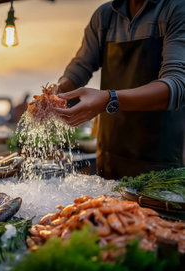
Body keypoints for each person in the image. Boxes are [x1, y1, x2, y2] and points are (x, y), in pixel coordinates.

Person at [53, 0, 185, 180]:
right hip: (110, 155)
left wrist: (109, 99)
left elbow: (176, 85)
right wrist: (56, 92)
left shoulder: (176, 8)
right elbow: (80, 67)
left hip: (161, 158)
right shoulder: (104, 16)